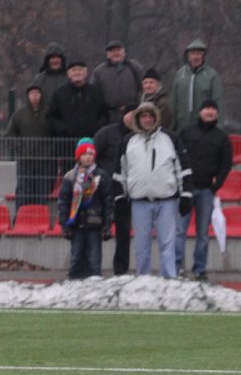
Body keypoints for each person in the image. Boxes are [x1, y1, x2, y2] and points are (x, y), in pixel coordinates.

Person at [113, 102, 193, 278]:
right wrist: (120, 197)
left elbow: (184, 168)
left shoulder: (170, 139)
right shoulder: (128, 141)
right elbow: (120, 172)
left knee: (167, 244)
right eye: (143, 116)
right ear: (138, 119)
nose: (147, 119)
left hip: (167, 201)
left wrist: (186, 195)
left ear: (156, 118)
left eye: (150, 116)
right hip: (139, 202)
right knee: (142, 245)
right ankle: (143, 280)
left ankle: (169, 279)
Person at [177, 99, 232, 281]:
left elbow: (226, 164)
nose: (210, 112)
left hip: (207, 191)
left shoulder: (222, 137)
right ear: (200, 112)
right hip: (185, 189)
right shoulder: (186, 132)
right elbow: (175, 156)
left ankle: (199, 269)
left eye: (213, 109)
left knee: (203, 233)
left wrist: (217, 184)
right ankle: (177, 267)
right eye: (207, 108)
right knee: (180, 231)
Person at [57, 138, 113, 279]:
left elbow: (107, 201)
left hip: (95, 224)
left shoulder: (101, 176)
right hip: (75, 225)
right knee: (76, 257)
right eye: (84, 154)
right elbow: (63, 202)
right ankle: (74, 284)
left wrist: (107, 224)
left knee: (94, 259)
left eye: (90, 154)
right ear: (78, 157)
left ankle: (94, 285)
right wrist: (64, 224)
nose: (88, 157)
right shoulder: (70, 177)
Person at [94, 103, 138, 275]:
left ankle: (121, 270)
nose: (132, 118)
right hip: (102, 191)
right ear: (123, 115)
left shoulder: (139, 137)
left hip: (125, 193)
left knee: (123, 234)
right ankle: (93, 268)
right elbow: (91, 156)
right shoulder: (106, 133)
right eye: (130, 114)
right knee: (95, 229)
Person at [46, 58, 108, 172]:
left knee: (91, 176)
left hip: (91, 143)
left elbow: (104, 115)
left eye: (80, 70)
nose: (77, 73)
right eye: (74, 70)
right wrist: (64, 129)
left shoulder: (96, 92)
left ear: (86, 73)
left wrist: (97, 128)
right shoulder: (60, 93)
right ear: (69, 74)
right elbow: (51, 117)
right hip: (67, 145)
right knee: (69, 176)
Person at [5, 84, 51, 212]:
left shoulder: (48, 113)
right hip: (25, 160)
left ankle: (41, 217)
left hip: (44, 160)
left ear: (41, 95)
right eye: (32, 94)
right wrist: (20, 148)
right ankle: (20, 216)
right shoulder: (19, 114)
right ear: (28, 96)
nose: (35, 96)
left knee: (42, 191)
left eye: (37, 93)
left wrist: (49, 150)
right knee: (24, 190)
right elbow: (9, 134)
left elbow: (55, 134)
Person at [169, 39, 223, 132]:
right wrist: (170, 128)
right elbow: (173, 103)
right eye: (193, 53)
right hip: (182, 127)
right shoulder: (180, 74)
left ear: (203, 55)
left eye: (198, 53)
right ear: (188, 56)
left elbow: (218, 102)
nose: (195, 56)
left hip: (205, 128)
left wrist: (218, 128)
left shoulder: (212, 75)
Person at [90, 40, 144, 119]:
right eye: (112, 51)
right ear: (107, 55)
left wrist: (138, 105)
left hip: (133, 113)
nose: (116, 53)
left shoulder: (134, 67)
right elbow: (93, 94)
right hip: (109, 115)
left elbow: (144, 87)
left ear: (124, 52)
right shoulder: (98, 71)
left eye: (118, 50)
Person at [30, 42, 68, 110]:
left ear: (62, 59)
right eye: (52, 57)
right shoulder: (40, 79)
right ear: (48, 60)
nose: (55, 60)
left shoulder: (69, 77)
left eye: (58, 57)